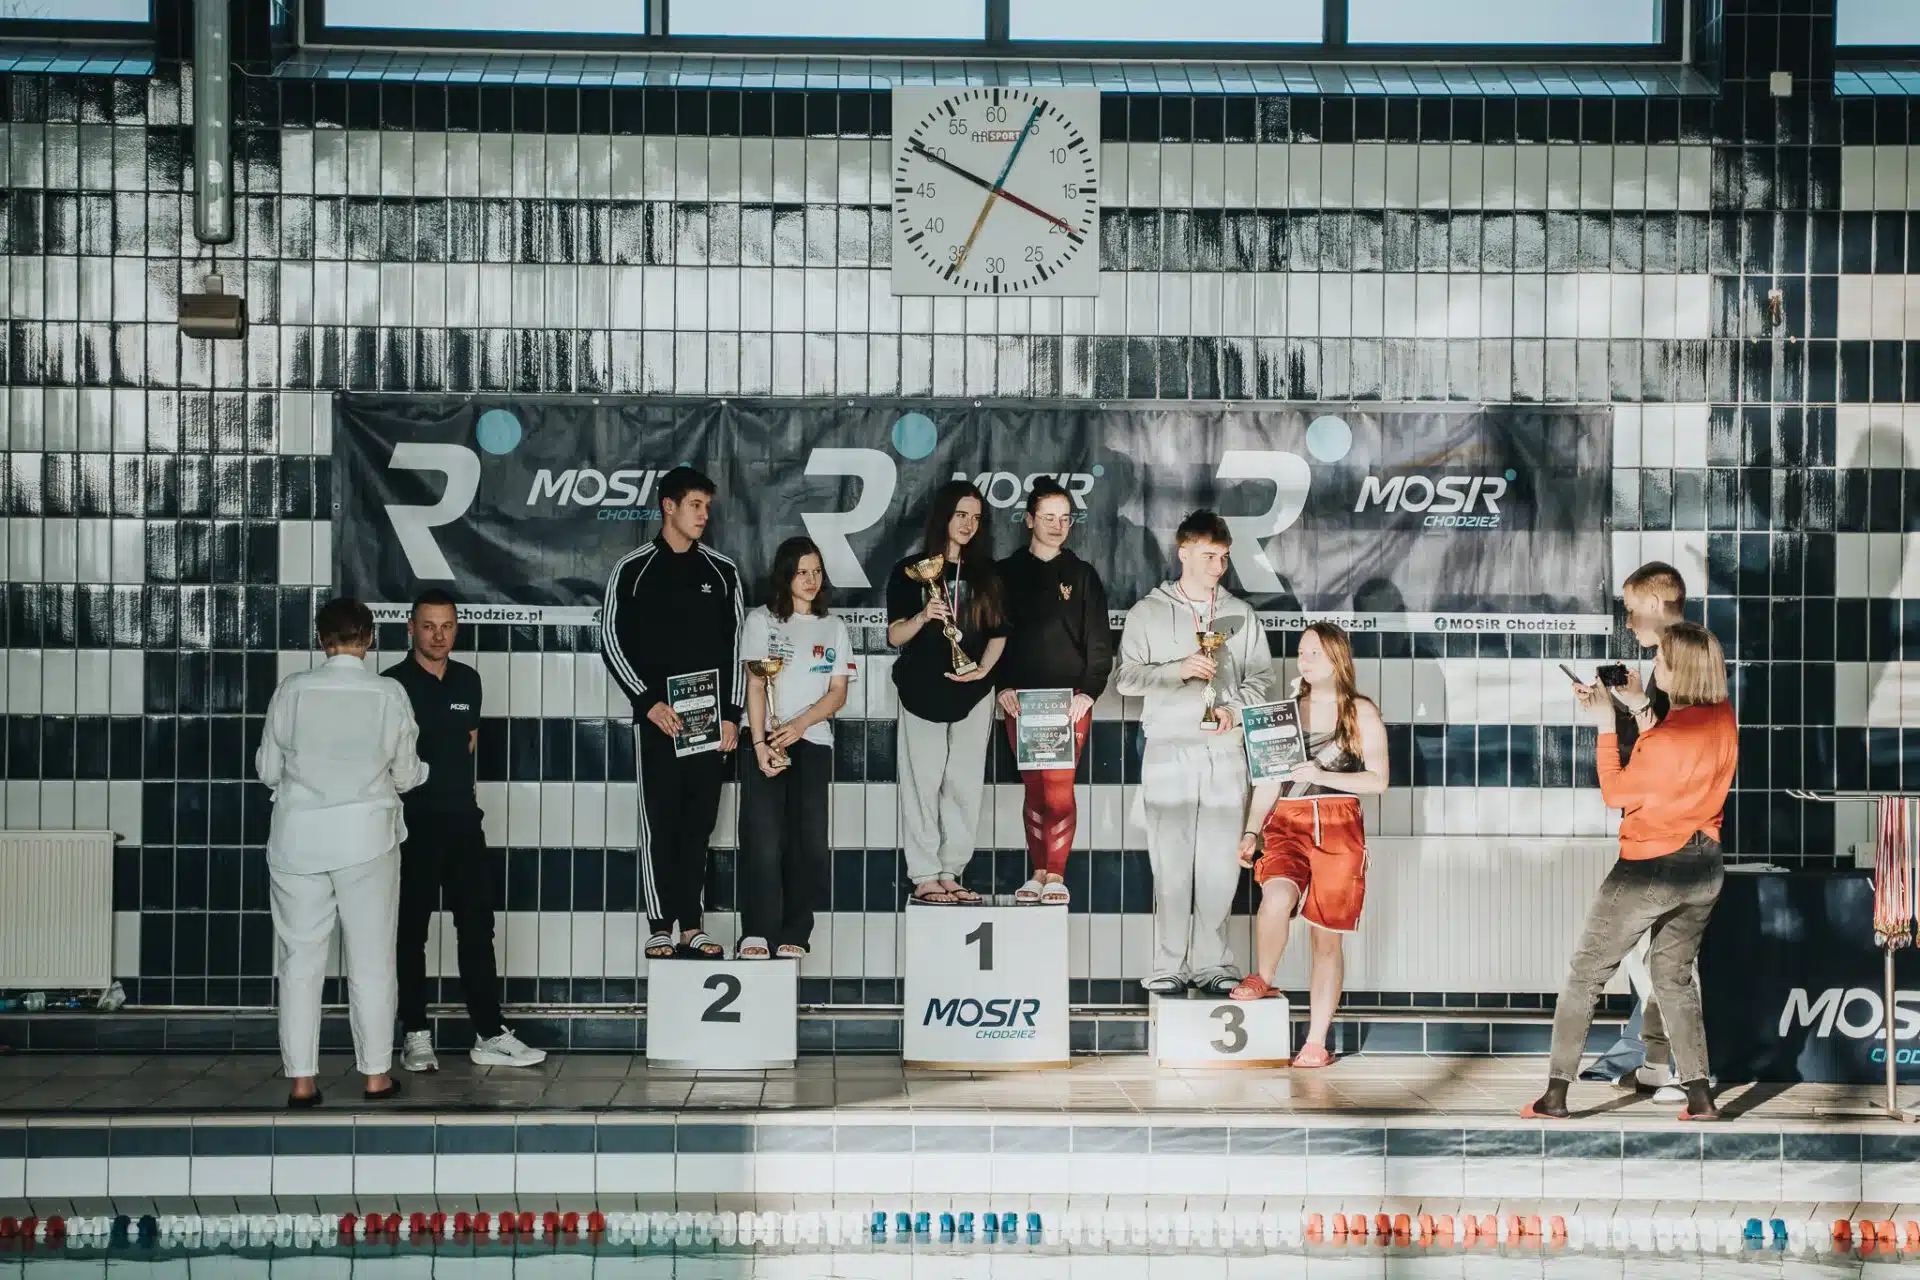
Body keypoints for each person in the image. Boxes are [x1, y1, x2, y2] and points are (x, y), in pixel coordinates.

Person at [1524, 621, 1737, 1122]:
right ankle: (1699, 1098)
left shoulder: (1664, 741)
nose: (1653, 667)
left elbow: (1617, 792)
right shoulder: (1722, 718)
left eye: (1660, 661)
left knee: (1586, 974)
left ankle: (1554, 1096)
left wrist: (1604, 724)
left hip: (1649, 868)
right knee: (1674, 979)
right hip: (1704, 867)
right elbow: (1670, 749)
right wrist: (1639, 705)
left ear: (1680, 670)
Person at [256, 598, 425, 1107]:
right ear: (370, 638)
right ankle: (375, 1076)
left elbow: (267, 771)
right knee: (372, 960)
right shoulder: (388, 694)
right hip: (367, 841)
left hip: (298, 841)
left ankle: (302, 1082)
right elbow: (405, 775)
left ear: (320, 639)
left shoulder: (292, 690)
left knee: (299, 962)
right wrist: (425, 772)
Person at [1113, 510, 1275, 995]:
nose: (1218, 567)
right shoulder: (1148, 612)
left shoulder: (1241, 614)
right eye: (1208, 556)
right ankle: (1168, 964)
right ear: (1183, 553)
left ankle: (1213, 963)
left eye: (1223, 557)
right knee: (1170, 862)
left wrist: (1233, 711)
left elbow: (1262, 679)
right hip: (1168, 749)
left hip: (1225, 751)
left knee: (1221, 864)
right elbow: (1125, 679)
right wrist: (1176, 669)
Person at [384, 589, 546, 1072]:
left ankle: (489, 1032)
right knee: (409, 931)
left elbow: (468, 745)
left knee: (477, 927)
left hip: (462, 823)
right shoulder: (390, 686)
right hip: (410, 826)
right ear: (410, 628)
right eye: (428, 626)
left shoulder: (468, 680)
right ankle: (415, 1034)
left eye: (447, 626)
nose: (438, 636)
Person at [1230, 622, 1391, 1069]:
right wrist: (1251, 831)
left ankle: (1315, 1042)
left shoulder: (1360, 711)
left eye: (1315, 652)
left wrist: (1321, 775)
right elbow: (1268, 782)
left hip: (1339, 826)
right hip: (1286, 822)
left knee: (1326, 941)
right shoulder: (1281, 713)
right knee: (1276, 896)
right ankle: (1264, 976)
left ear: (1337, 657)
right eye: (1302, 652)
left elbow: (1378, 780)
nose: (1305, 660)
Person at [600, 466, 744, 962]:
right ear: (669, 506)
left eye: (707, 507)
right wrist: (647, 703)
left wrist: (732, 715)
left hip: (709, 722)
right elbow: (611, 640)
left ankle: (692, 926)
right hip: (660, 722)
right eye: (695, 506)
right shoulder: (633, 568)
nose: (704, 515)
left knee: (698, 826)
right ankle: (661, 926)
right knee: (660, 823)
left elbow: (738, 647)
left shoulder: (722, 572)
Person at [1579, 561, 1690, 1098]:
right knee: (1650, 954)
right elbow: (1655, 739)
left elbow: (1676, 746)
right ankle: (1658, 1062)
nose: (1626, 620)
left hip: (1671, 830)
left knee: (1664, 958)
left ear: (1653, 604)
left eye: (1629, 609)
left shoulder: (1684, 659)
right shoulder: (1665, 661)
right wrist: (1620, 709)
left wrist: (1623, 715)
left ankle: (1684, 1067)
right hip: (1652, 824)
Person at [887, 479, 1008, 905]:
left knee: (964, 785)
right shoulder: (910, 570)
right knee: (922, 784)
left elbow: (999, 633)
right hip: (921, 691)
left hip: (973, 694)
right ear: (943, 517)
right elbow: (895, 635)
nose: (968, 524)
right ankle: (924, 874)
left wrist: (982, 671)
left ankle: (951, 871)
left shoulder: (988, 573)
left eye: (976, 517)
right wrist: (924, 616)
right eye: (961, 514)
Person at [995, 478, 1113, 906]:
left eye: (1064, 518)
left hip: (1069, 702)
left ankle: (1057, 875)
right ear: (1029, 520)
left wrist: (1089, 692)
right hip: (1021, 702)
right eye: (1048, 517)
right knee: (1034, 788)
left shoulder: (1082, 575)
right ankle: (1038, 872)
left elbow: (1099, 643)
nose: (1057, 525)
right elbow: (992, 637)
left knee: (1060, 789)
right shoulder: (1005, 574)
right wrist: (1001, 686)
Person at [736, 536, 853, 959]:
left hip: (813, 743)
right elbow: (754, 684)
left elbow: (838, 693)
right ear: (785, 575)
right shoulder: (760, 621)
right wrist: (759, 742)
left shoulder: (833, 627)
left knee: (808, 842)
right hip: (764, 743)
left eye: (816, 571)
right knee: (763, 839)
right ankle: (756, 931)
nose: (810, 579)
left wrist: (800, 725)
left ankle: (796, 930)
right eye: (802, 571)